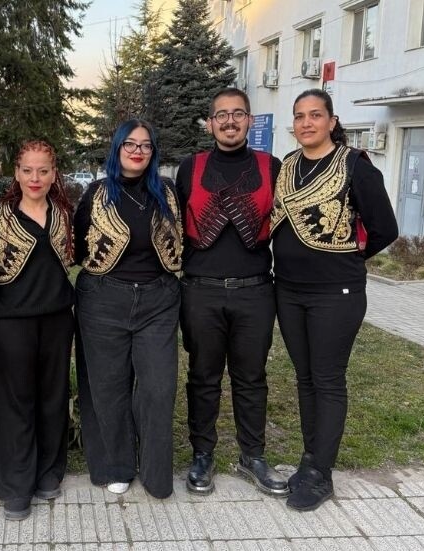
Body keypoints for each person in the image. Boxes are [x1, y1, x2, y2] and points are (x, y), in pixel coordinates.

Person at [271, 89, 398, 511]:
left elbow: (384, 228)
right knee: (305, 378)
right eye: (300, 116)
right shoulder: (288, 165)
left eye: (315, 115)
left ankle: (320, 474)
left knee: (327, 379)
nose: (306, 123)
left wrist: (349, 256)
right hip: (288, 290)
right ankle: (311, 460)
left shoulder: (354, 166)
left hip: (335, 294)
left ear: (331, 120)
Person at [176, 88, 287, 497]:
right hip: (201, 291)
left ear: (250, 121)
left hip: (255, 291)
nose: (229, 121)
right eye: (220, 115)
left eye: (237, 114)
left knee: (251, 379)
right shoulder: (189, 168)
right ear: (210, 123)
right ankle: (202, 454)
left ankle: (252, 456)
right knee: (202, 377)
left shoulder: (272, 166)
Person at [74, 119, 183, 499]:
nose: (138, 151)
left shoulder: (167, 192)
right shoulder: (96, 194)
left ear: (153, 152)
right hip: (103, 300)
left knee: (158, 387)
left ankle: (155, 474)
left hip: (158, 301)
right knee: (108, 388)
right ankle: (115, 466)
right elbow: (78, 248)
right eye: (130, 144)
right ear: (117, 148)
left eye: (146, 145)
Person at [0, 140, 75, 521]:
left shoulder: (64, 212)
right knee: (16, 402)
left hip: (57, 318)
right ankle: (15, 485)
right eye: (27, 170)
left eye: (43, 170)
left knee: (52, 398)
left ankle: (48, 473)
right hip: (12, 321)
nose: (35, 178)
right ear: (16, 173)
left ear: (54, 173)